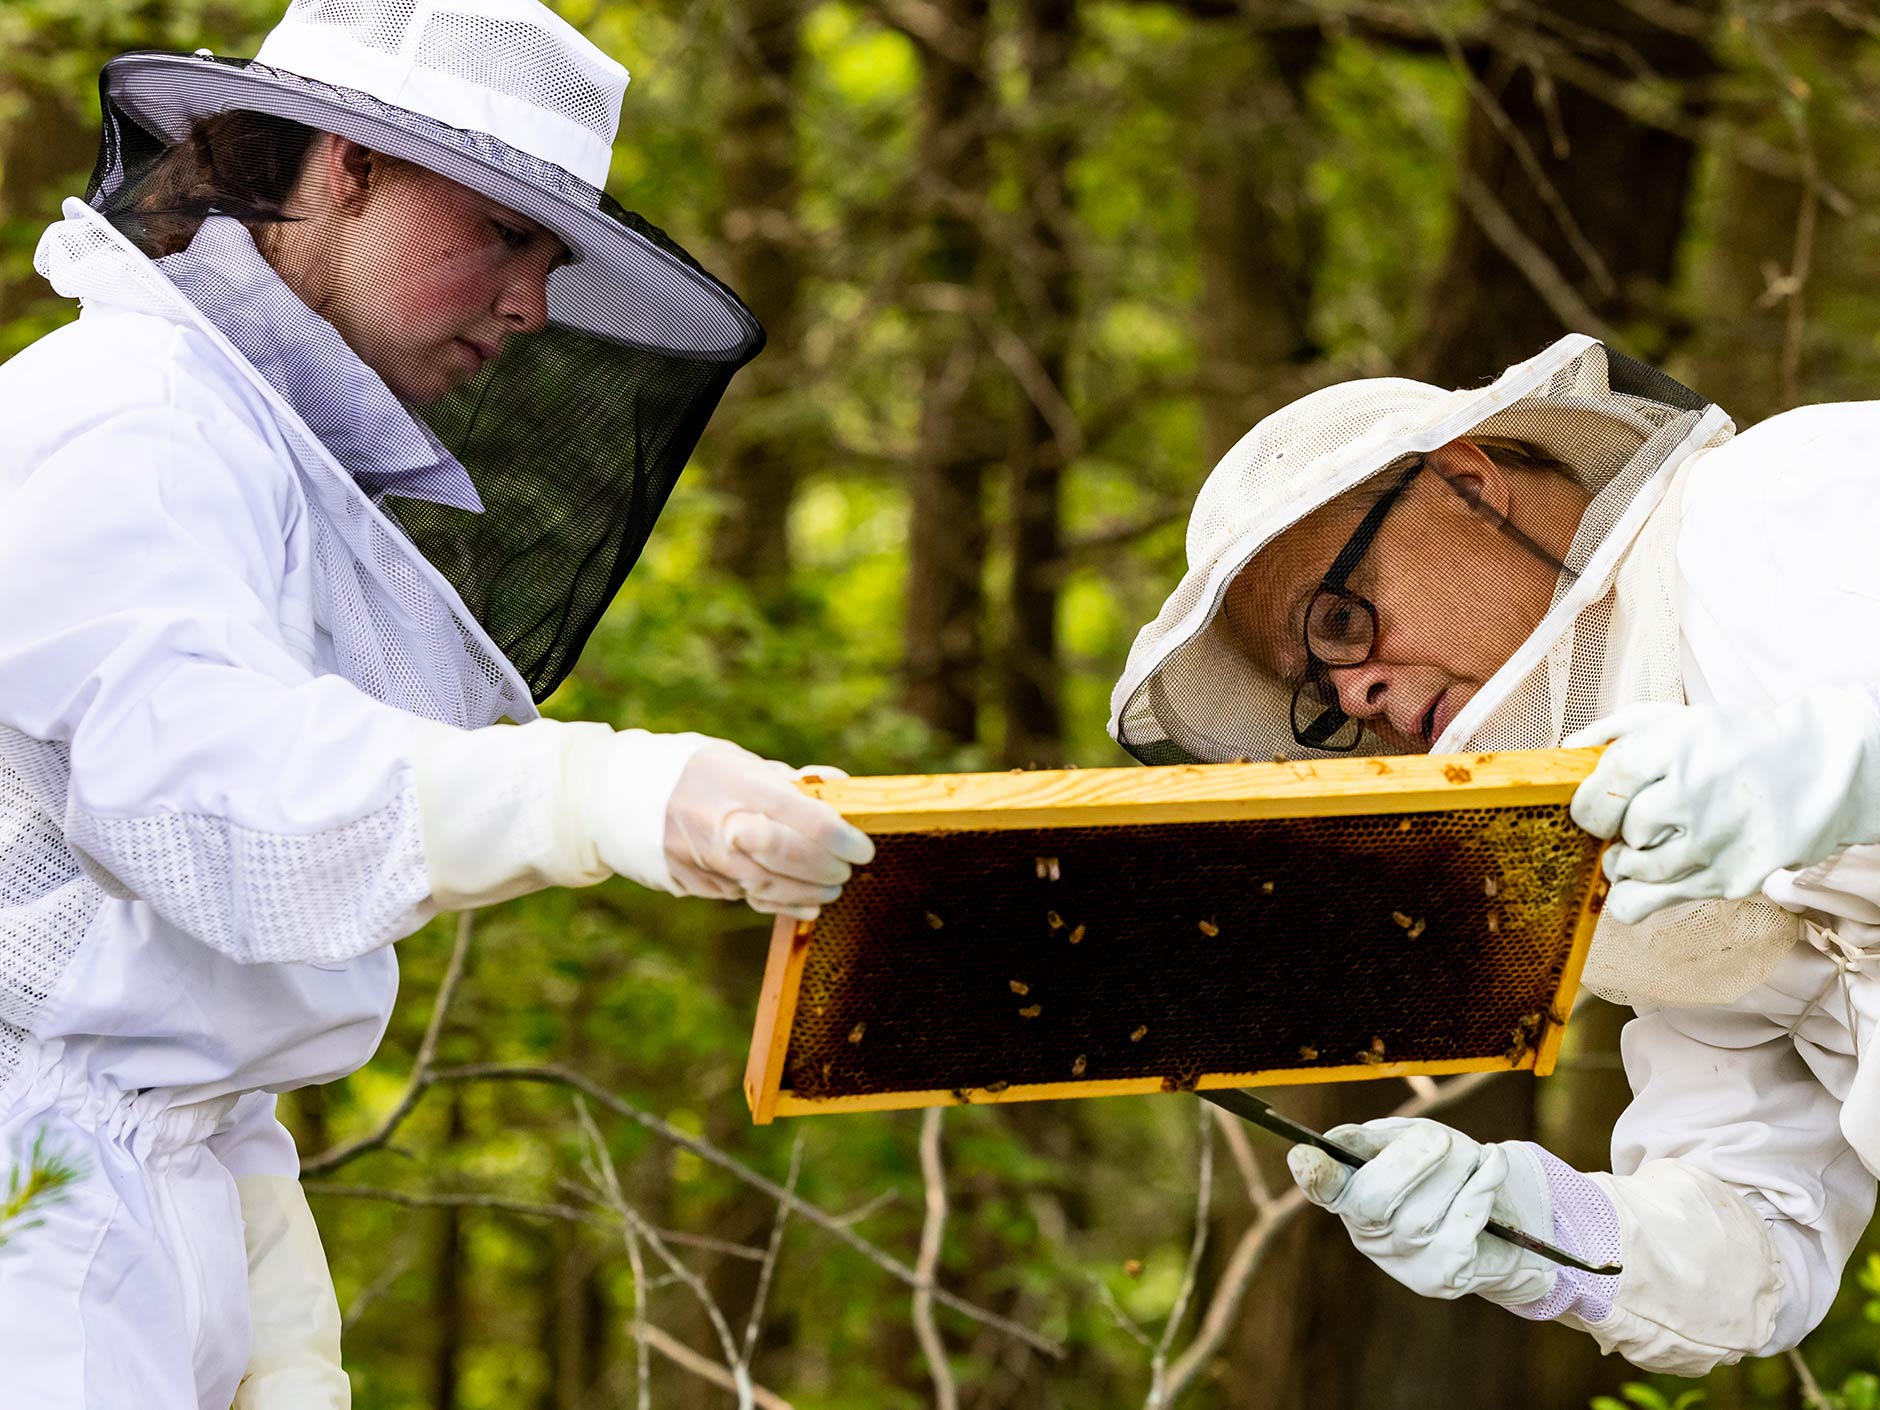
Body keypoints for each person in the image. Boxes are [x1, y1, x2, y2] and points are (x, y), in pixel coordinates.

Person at [0, 2, 874, 1406]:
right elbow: (213, 798)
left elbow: (171, 1035)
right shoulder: (131, 415)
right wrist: (601, 792)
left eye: (551, 253)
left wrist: (270, 1297)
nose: (532, 303)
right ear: (345, 166)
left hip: (119, 1222)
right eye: (506, 231)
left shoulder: (235, 442)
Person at [1109, 333, 1880, 1375]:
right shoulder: (1641, 879)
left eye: (1336, 619)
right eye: (1317, 699)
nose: (1350, 696)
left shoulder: (1780, 502)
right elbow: (1760, 1249)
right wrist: (1535, 1230)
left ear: (1467, 485)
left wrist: (1824, 772)